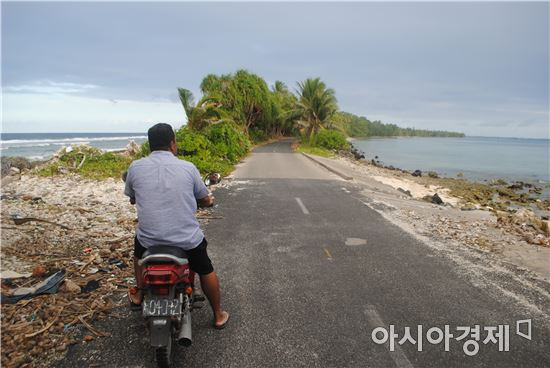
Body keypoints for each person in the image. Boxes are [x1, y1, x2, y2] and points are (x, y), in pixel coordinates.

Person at [124, 123, 229, 329]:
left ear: (150, 145)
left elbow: (132, 198)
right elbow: (204, 198)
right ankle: (218, 314)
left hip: (149, 241)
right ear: (173, 143)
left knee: (138, 256)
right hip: (186, 241)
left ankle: (140, 291)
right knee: (205, 268)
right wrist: (208, 201)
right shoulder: (188, 167)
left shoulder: (135, 167)